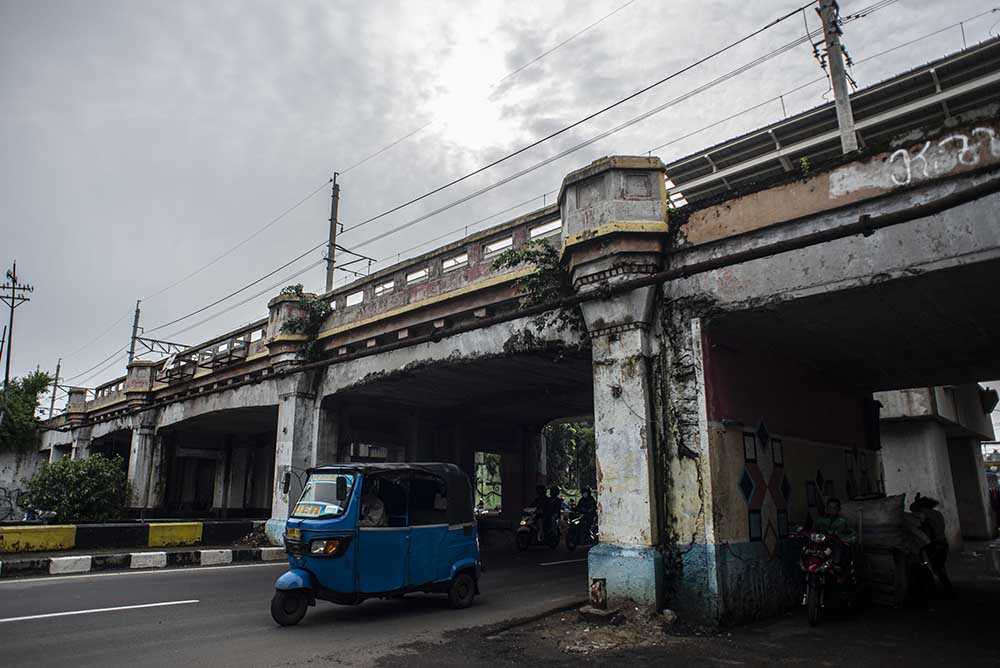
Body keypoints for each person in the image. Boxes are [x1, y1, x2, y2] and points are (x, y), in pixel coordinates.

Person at [911, 494, 952, 592]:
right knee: (940, 569)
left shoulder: (923, 514)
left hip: (934, 546)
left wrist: (916, 502)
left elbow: (912, 508)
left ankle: (945, 590)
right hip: (943, 544)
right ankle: (947, 589)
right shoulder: (938, 513)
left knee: (933, 569)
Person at [815, 497, 857, 571]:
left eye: (834, 508)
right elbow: (813, 531)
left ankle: (836, 566)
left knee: (838, 545)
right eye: (830, 508)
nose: (832, 510)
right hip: (822, 544)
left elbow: (853, 536)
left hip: (838, 547)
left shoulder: (843, 522)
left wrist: (842, 538)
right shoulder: (820, 521)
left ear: (839, 509)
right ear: (827, 508)